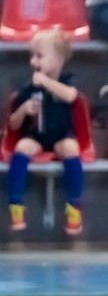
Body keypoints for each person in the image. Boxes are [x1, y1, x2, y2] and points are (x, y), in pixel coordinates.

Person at [6, 30, 84, 236]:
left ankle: (74, 207)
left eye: (39, 56)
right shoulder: (29, 87)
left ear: (58, 61)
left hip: (61, 135)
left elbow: (71, 96)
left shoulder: (67, 80)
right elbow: (13, 124)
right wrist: (23, 110)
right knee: (22, 147)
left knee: (71, 147)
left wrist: (46, 83)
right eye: (32, 56)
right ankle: (16, 204)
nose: (33, 61)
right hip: (36, 136)